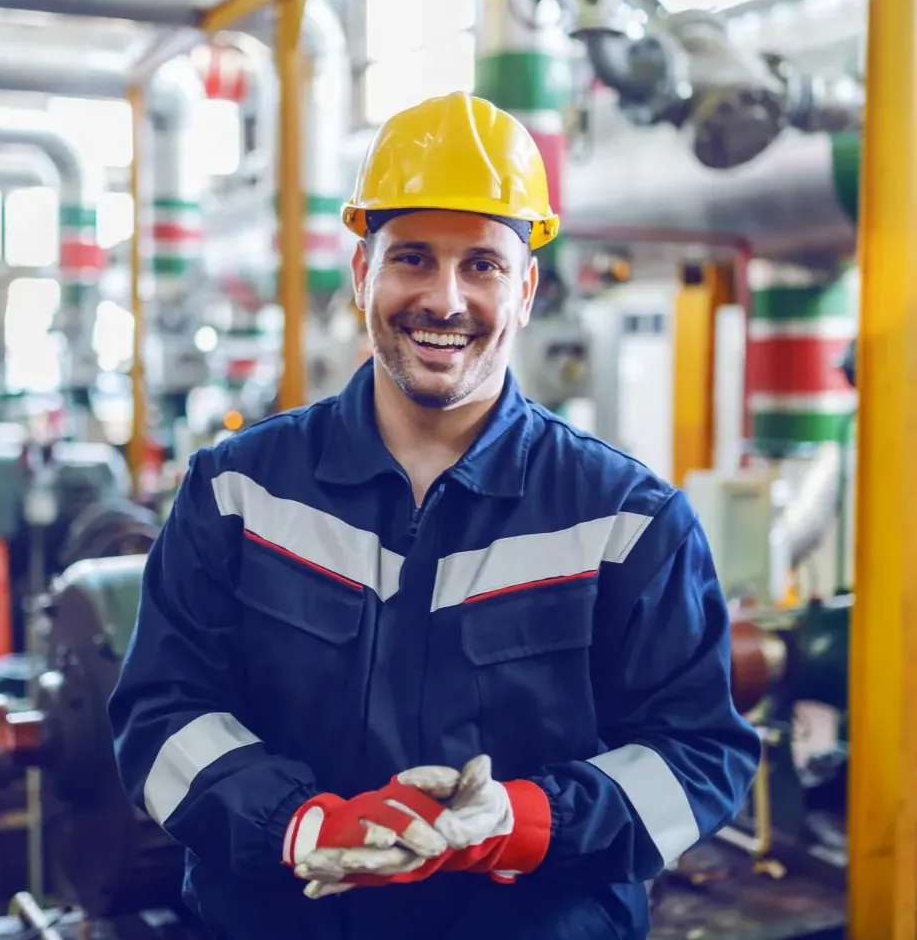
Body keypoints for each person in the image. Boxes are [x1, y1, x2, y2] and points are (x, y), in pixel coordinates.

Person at [108, 91, 760, 940]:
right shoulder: (237, 489)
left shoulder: (627, 520)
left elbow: (698, 756)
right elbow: (159, 715)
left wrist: (527, 822)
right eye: (412, 258)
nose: (445, 300)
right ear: (361, 274)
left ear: (525, 289)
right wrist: (296, 825)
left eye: (482, 265)